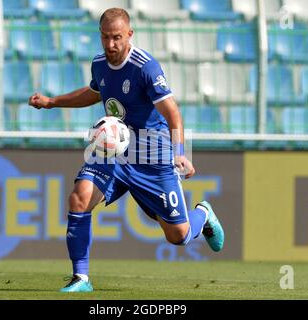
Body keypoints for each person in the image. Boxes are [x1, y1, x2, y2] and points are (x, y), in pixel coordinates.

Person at [28, 8, 224, 293]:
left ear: (129, 35)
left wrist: (181, 153)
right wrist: (52, 102)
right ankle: (81, 278)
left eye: (117, 38)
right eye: (105, 38)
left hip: (152, 154)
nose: (110, 45)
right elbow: (94, 92)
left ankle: (203, 215)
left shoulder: (146, 67)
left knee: (178, 236)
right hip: (113, 148)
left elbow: (173, 114)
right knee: (80, 198)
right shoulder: (99, 64)